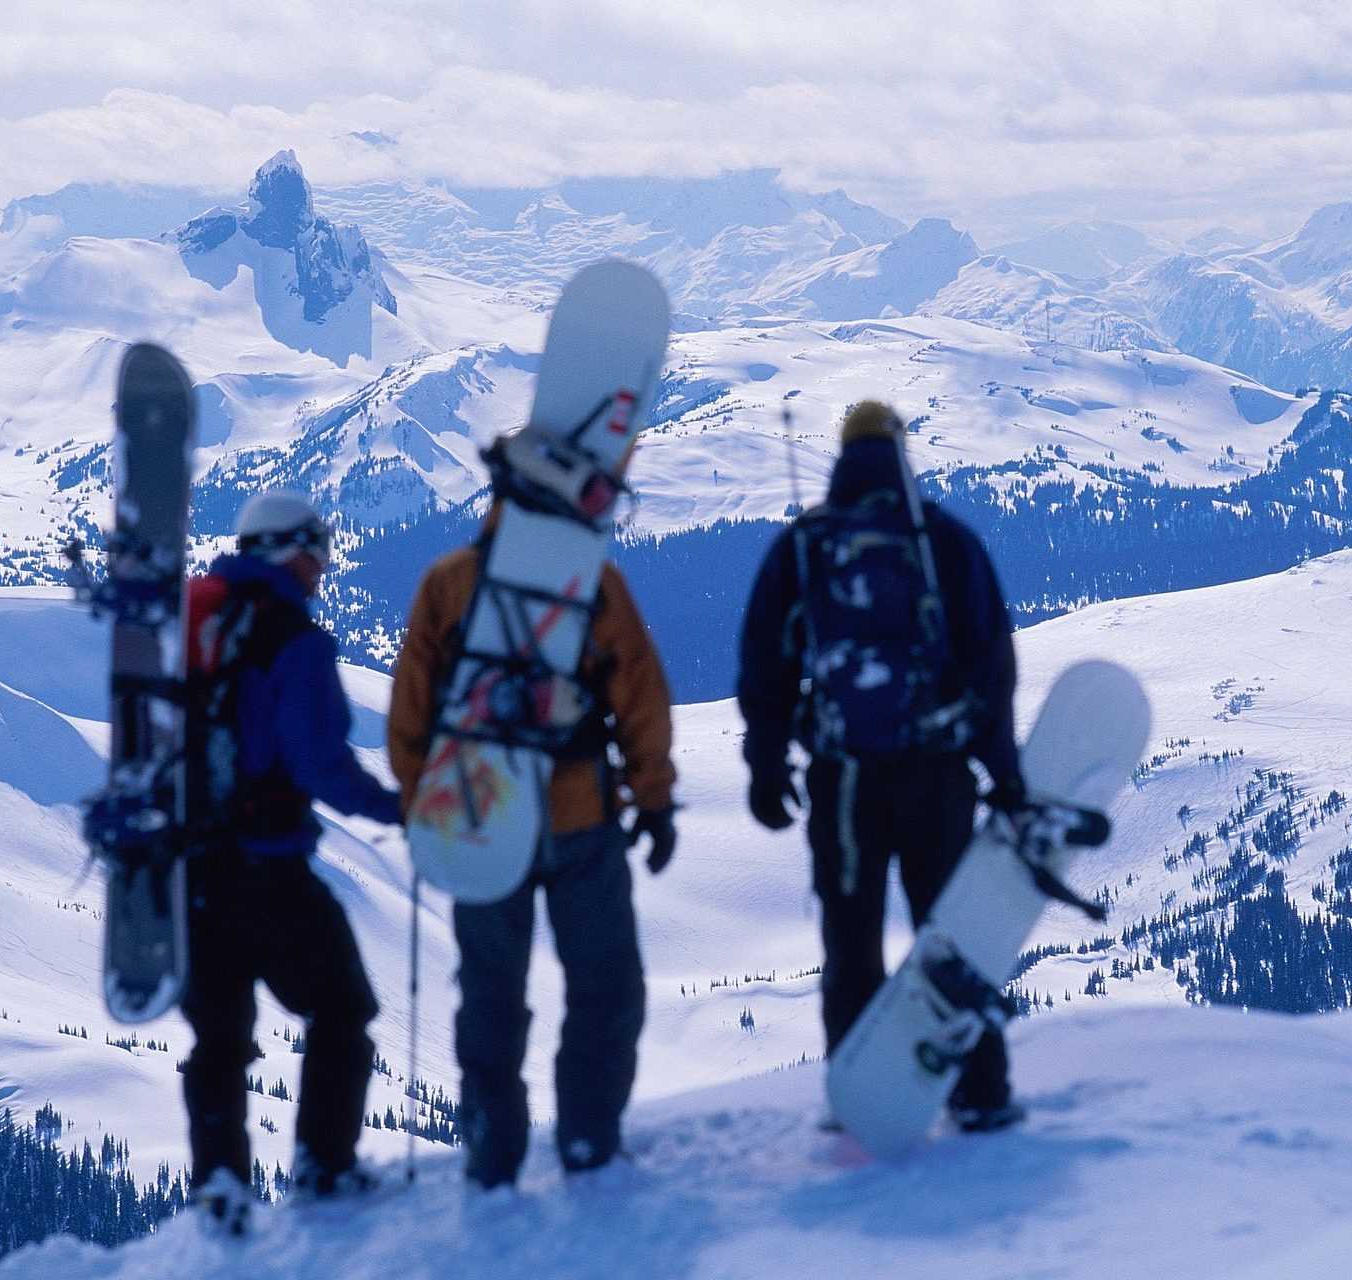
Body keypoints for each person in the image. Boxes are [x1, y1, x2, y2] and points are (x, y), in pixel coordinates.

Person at [736, 400, 1026, 1133]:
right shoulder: (940, 541)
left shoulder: (804, 547)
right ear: (900, 453)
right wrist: (1005, 774)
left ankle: (857, 1094)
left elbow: (765, 667)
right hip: (938, 776)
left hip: (844, 785)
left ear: (841, 454)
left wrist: (767, 765)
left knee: (851, 942)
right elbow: (989, 664)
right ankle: (980, 1093)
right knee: (951, 936)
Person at [387, 497, 677, 1189]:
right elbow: (640, 693)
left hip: (484, 817)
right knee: (604, 986)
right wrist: (654, 798)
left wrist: (426, 809)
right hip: (581, 820)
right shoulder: (595, 584)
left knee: (489, 990)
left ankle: (494, 1155)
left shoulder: (448, 582)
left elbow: (410, 714)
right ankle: (588, 1140)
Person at [180, 490, 403, 1230]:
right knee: (342, 1008)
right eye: (317, 552)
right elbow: (319, 764)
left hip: (187, 867)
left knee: (218, 1040)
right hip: (267, 868)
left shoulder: (192, 623)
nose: (322, 569)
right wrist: (397, 809)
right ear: (287, 550)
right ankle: (324, 1169)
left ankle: (219, 1189)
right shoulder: (292, 639)